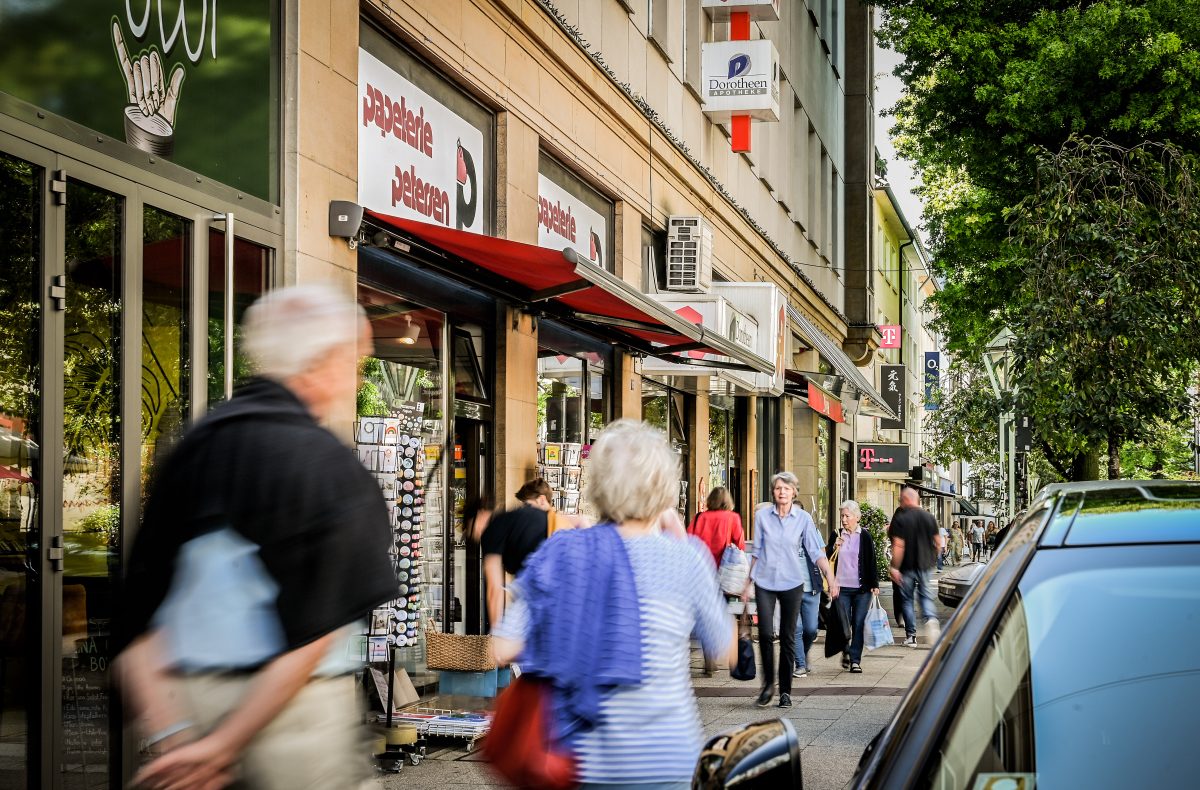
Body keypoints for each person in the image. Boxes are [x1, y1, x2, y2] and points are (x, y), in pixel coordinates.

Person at [115, 285, 398, 790]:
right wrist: (225, 747)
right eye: (356, 361)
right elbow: (314, 635)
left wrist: (180, 740)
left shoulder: (194, 447)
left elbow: (138, 628)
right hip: (294, 720)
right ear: (325, 361)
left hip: (190, 702)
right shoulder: (328, 465)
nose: (355, 378)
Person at [491, 420, 735, 789]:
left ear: (599, 485)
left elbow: (503, 647)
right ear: (662, 487)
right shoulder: (687, 558)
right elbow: (725, 648)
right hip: (669, 762)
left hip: (583, 765)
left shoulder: (560, 553)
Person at [740, 472, 839, 708]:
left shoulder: (803, 519)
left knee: (787, 636)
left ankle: (785, 691)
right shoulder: (763, 517)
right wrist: (747, 582)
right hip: (765, 582)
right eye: (778, 488)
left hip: (792, 584)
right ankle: (767, 686)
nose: (782, 492)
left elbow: (816, 552)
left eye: (786, 488)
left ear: (794, 492)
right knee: (765, 634)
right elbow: (757, 551)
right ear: (773, 492)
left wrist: (831, 577)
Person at [477, 478, 556, 628]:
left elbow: (495, 589)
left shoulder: (503, 523)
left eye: (526, 505)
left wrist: (497, 633)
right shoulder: (561, 525)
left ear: (541, 500)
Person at [828, 501, 880, 673]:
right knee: (843, 625)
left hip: (862, 589)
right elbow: (827, 559)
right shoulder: (836, 534)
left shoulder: (865, 535)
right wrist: (833, 546)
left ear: (857, 518)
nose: (843, 519)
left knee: (858, 623)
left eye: (847, 516)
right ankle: (846, 650)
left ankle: (855, 660)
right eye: (842, 516)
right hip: (841, 588)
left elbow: (871, 561)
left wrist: (874, 584)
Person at [889, 487, 943, 646]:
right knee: (925, 596)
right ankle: (931, 619)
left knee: (906, 600)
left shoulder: (901, 519)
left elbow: (899, 546)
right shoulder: (929, 517)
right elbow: (939, 542)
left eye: (901, 500)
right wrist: (932, 558)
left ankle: (911, 636)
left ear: (906, 500)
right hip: (925, 565)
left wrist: (894, 567)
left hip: (907, 567)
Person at [687, 486, 746, 569]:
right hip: (724, 567)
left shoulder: (699, 517)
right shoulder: (733, 517)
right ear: (728, 501)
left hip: (701, 567)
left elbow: (688, 541)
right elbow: (740, 545)